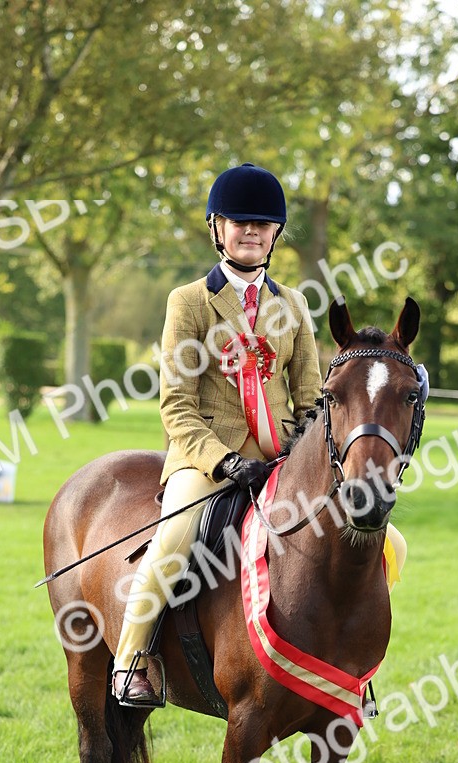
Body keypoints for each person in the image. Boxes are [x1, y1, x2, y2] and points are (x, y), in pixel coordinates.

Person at [112, 162, 323, 705]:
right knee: (173, 544)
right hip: (206, 461)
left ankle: (350, 667)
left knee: (380, 541)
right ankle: (133, 658)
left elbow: (311, 400)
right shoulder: (188, 303)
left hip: (281, 460)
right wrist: (226, 463)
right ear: (217, 227)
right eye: (238, 221)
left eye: (262, 223)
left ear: (275, 233)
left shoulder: (294, 305)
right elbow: (176, 406)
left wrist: (301, 459)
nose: (250, 231)